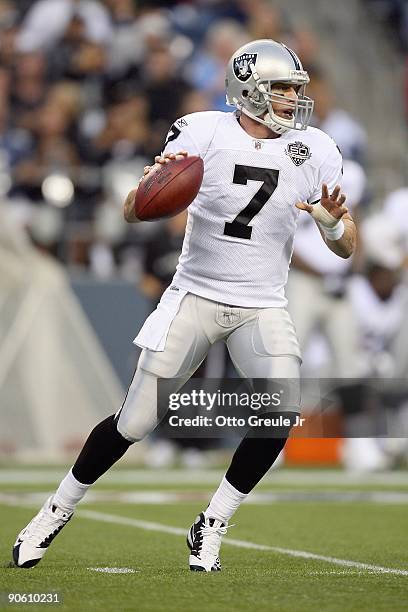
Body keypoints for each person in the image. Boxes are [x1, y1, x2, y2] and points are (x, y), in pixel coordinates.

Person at [12, 39, 356, 572]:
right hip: (195, 292)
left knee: (279, 413)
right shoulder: (202, 131)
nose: (293, 99)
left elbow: (346, 244)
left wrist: (333, 223)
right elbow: (132, 210)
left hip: (262, 302)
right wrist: (152, 187)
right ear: (248, 89)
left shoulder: (317, 149)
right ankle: (54, 511)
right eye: (281, 88)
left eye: (296, 88)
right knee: (133, 422)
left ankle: (212, 522)